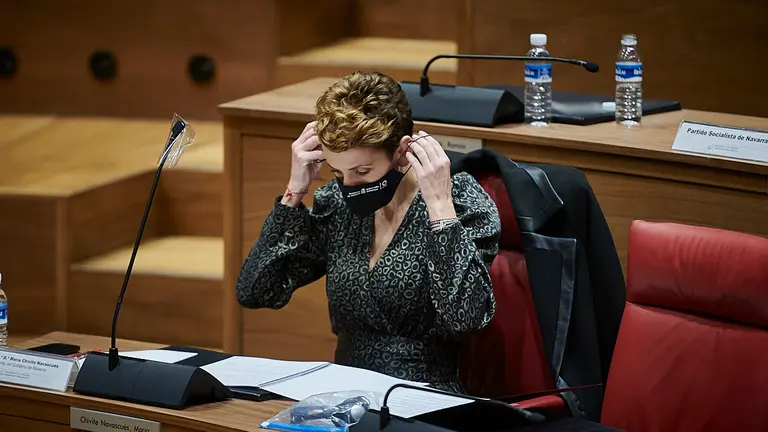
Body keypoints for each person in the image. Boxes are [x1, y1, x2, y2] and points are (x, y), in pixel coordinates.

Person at [236, 71, 501, 393]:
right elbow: (257, 291)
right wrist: (294, 191)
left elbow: (467, 317)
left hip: (424, 395)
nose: (350, 185)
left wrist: (440, 210)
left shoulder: (458, 200)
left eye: (362, 171)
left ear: (402, 150)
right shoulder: (338, 204)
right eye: (338, 172)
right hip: (345, 392)